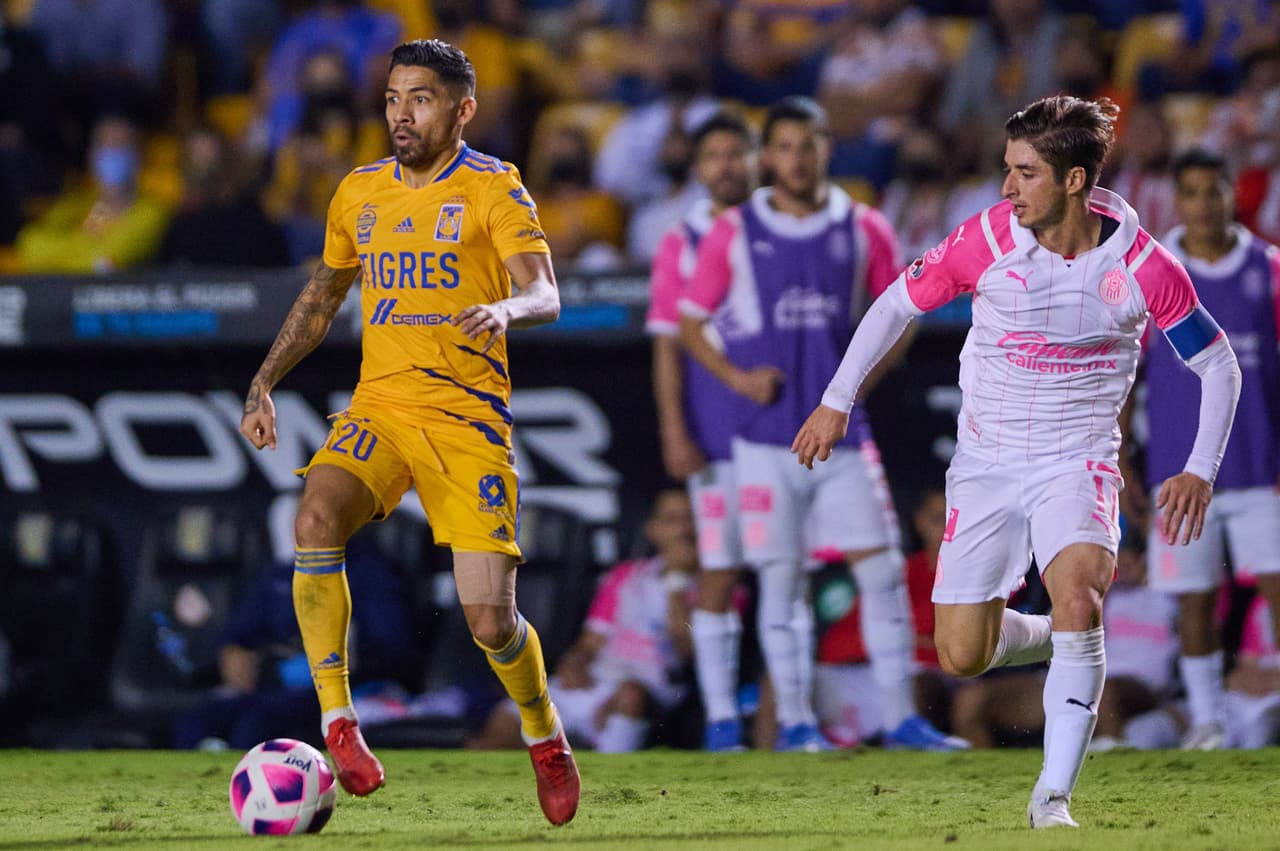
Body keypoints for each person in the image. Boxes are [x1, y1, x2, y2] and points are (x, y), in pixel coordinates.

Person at [793, 95, 1242, 828]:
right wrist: (835, 401)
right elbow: (897, 303)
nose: (1007, 187)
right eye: (1008, 169)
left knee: (1080, 598)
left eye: (1025, 173)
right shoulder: (987, 238)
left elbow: (1218, 363)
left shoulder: (1142, 264)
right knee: (961, 653)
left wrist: (1200, 466)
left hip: (1079, 460)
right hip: (988, 462)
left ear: (1073, 180)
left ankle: (1052, 797)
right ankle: (1055, 635)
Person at [238, 39, 580, 826]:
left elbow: (546, 293)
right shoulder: (359, 191)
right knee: (315, 517)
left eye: (421, 99)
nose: (401, 113)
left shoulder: (495, 186)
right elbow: (322, 296)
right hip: (381, 408)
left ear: (462, 109)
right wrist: (264, 381)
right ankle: (339, 722)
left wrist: (505, 308)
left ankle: (544, 732)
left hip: (467, 421)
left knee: (491, 621)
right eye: (394, 97)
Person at [679, 97, 949, 752]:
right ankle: (798, 722)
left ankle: (902, 718)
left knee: (881, 568)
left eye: (809, 145)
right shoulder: (734, 230)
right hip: (763, 438)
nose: (797, 159)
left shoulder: (864, 227)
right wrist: (739, 379)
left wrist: (849, 394)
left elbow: (903, 316)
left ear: (828, 148)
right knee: (781, 577)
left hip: (842, 439)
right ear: (768, 156)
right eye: (785, 147)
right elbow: (690, 321)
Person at [1118, 147, 1280, 751]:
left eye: (1215, 190)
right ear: (1176, 200)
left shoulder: (1270, 270)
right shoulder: (1150, 273)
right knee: (1194, 602)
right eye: (1191, 192)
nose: (1204, 203)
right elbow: (1125, 373)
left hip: (1262, 469)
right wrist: (1121, 458)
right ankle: (1208, 724)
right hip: (1177, 472)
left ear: (1233, 193)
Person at [646, 111, 757, 750]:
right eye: (713, 155)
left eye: (736, 152)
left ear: (756, 160)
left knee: (794, 573)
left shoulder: (781, 226)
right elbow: (668, 343)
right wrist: (673, 429)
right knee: (719, 569)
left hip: (785, 427)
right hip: (716, 433)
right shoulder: (681, 240)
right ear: (698, 168)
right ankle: (721, 720)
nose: (726, 166)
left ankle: (798, 717)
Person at [469, 489, 699, 752]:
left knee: (630, 696)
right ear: (653, 529)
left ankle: (611, 772)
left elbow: (686, 652)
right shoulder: (625, 576)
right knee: (503, 726)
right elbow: (590, 642)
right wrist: (574, 663)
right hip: (596, 680)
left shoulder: (714, 585)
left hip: (647, 688)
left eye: (689, 519)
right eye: (672, 520)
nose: (683, 530)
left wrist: (677, 580)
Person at [14, 113, 169, 274]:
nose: (112, 154)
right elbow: (30, 246)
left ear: (138, 156)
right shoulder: (76, 206)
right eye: (104, 146)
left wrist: (65, 253)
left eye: (120, 146)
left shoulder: (152, 212)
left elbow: (109, 258)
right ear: (91, 156)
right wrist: (86, 250)